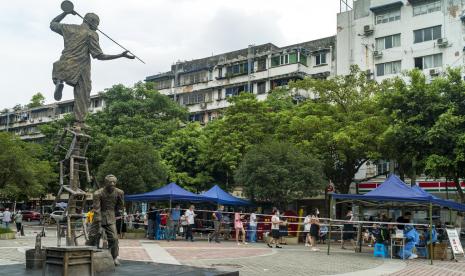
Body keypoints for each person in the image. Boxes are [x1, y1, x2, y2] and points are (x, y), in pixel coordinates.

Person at [50, 7, 134, 125]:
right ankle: (79, 122)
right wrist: (120, 55)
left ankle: (58, 82)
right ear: (92, 22)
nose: (97, 27)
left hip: (64, 64)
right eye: (97, 24)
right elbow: (100, 56)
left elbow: (53, 24)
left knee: (59, 73)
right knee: (83, 94)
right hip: (81, 67)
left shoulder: (69, 28)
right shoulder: (91, 34)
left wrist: (65, 12)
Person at [85, 174, 124, 265]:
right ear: (105, 183)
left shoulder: (119, 192)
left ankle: (113, 257)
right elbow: (96, 208)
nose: (112, 184)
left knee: (114, 238)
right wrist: (98, 221)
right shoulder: (98, 193)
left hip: (110, 217)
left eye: (114, 182)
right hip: (98, 216)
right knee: (93, 236)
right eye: (110, 182)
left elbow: (120, 205)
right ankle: (87, 256)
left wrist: (115, 212)